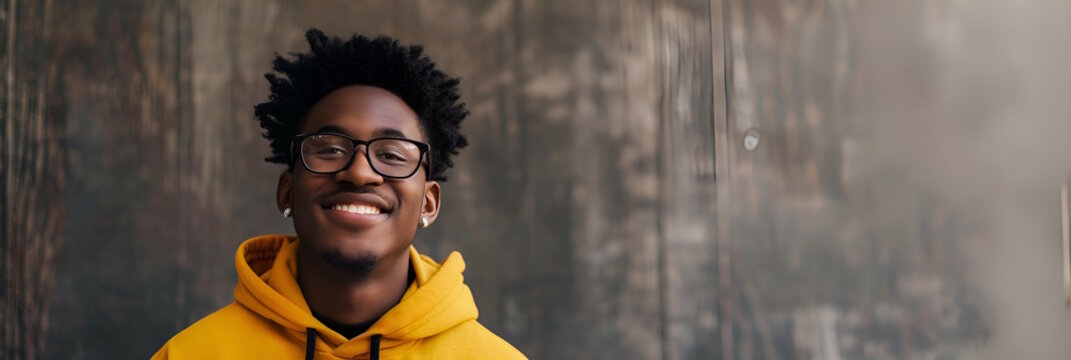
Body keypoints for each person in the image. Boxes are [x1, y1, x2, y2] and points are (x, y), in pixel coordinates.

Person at [152, 29, 525, 360]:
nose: (359, 172)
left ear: (428, 203)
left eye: (392, 155)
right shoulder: (190, 354)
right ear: (287, 192)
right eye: (329, 149)